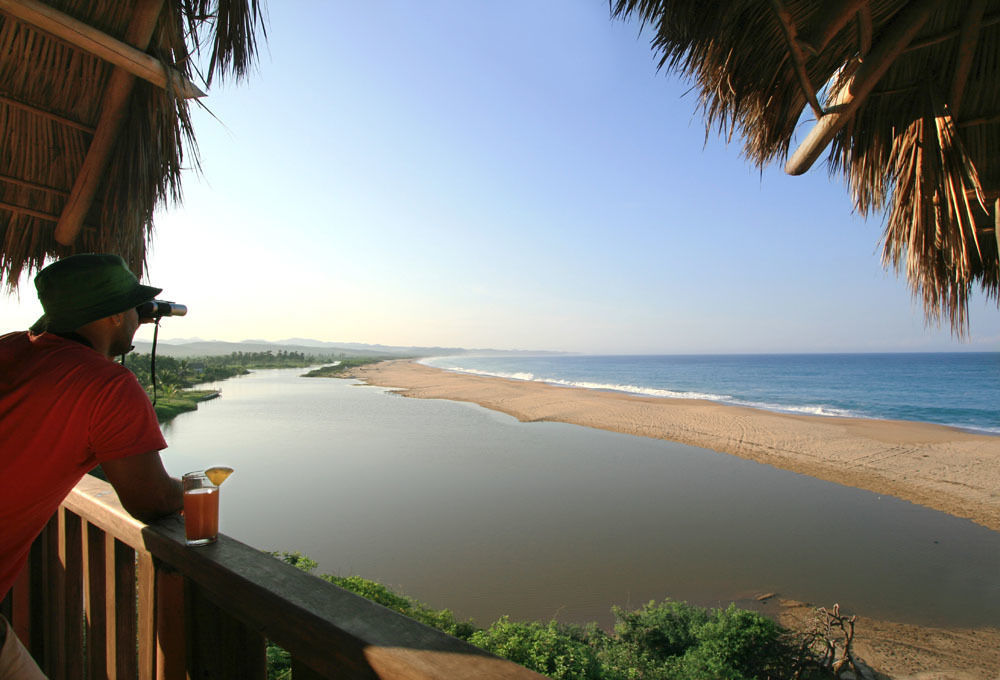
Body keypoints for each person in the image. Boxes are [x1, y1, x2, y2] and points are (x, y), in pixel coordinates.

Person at [0, 253, 183, 677]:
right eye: (135, 310)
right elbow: (151, 500)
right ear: (118, 315)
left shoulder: (11, 347)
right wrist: (194, 487)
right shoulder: (107, 385)